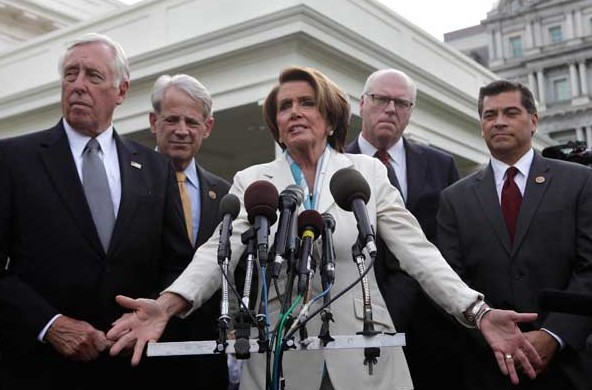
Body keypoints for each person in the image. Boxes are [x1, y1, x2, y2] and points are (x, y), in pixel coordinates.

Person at [107, 66, 542, 390]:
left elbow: (419, 253)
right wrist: (166, 305)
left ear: (332, 117)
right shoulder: (253, 179)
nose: (294, 112)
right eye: (285, 106)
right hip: (279, 355)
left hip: (365, 352)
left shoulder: (367, 173)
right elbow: (216, 253)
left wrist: (476, 310)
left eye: (306, 102)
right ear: (275, 123)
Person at [0, 33, 195, 389]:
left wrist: (145, 318)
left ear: (121, 91)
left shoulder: (155, 168)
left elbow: (177, 263)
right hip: (37, 368)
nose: (77, 85)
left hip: (130, 368)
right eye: (70, 75)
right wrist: (50, 324)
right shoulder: (13, 160)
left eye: (92, 76)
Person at [437, 79, 592, 389]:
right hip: (487, 366)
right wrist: (494, 336)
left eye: (510, 112)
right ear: (481, 126)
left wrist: (554, 334)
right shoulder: (454, 199)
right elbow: (450, 280)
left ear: (533, 121)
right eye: (489, 115)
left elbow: (589, 267)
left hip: (569, 365)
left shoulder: (580, 182)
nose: (499, 122)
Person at [345, 68, 463, 389]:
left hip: (430, 321)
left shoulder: (441, 164)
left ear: (410, 112)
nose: (390, 109)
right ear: (362, 104)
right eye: (381, 99)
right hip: (358, 318)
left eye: (401, 103)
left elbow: (446, 241)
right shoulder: (337, 165)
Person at [149, 74, 231, 388]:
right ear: (154, 121)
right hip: (146, 347)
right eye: (172, 119)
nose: (182, 130)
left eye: (192, 122)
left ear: (207, 127)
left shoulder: (224, 193)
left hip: (207, 351)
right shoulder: (130, 183)